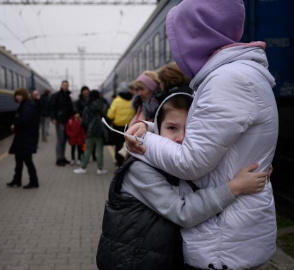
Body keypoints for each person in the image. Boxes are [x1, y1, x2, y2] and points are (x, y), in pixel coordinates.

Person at [125, 0, 279, 269]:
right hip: (232, 231)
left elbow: (191, 162)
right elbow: (208, 139)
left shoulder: (227, 80)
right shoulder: (241, 74)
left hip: (223, 240)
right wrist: (149, 128)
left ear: (196, 36)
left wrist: (142, 140)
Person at [97, 91, 268, 270]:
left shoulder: (182, 164)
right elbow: (182, 212)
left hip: (156, 257)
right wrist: (236, 187)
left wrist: (254, 169)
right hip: (131, 261)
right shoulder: (141, 170)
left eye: (191, 129)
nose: (181, 137)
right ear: (157, 130)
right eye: (172, 128)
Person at [7, 88, 40, 189]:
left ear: (24, 96)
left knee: (27, 160)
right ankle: (17, 180)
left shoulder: (27, 107)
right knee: (19, 159)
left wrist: (15, 126)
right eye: (16, 95)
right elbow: (18, 118)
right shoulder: (24, 106)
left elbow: (24, 120)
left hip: (27, 138)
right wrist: (14, 123)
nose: (17, 97)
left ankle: (34, 181)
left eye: (20, 95)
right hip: (23, 137)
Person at [73, 90, 109, 175]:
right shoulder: (103, 105)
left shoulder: (87, 107)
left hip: (90, 130)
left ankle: (83, 167)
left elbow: (84, 121)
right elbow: (106, 117)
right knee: (99, 149)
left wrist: (87, 127)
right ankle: (100, 169)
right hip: (100, 130)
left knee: (88, 149)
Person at [106, 82, 135, 167]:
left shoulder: (117, 100)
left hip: (118, 127)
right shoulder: (132, 99)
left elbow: (110, 114)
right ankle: (128, 160)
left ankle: (119, 161)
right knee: (128, 143)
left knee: (119, 144)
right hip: (130, 126)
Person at [49, 80, 74, 166]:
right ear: (61, 85)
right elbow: (52, 107)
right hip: (60, 121)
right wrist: (53, 118)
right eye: (64, 85)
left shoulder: (68, 96)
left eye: (67, 85)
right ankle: (58, 159)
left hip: (67, 121)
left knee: (64, 140)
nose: (66, 87)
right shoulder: (56, 95)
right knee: (60, 140)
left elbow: (70, 108)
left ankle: (62, 157)